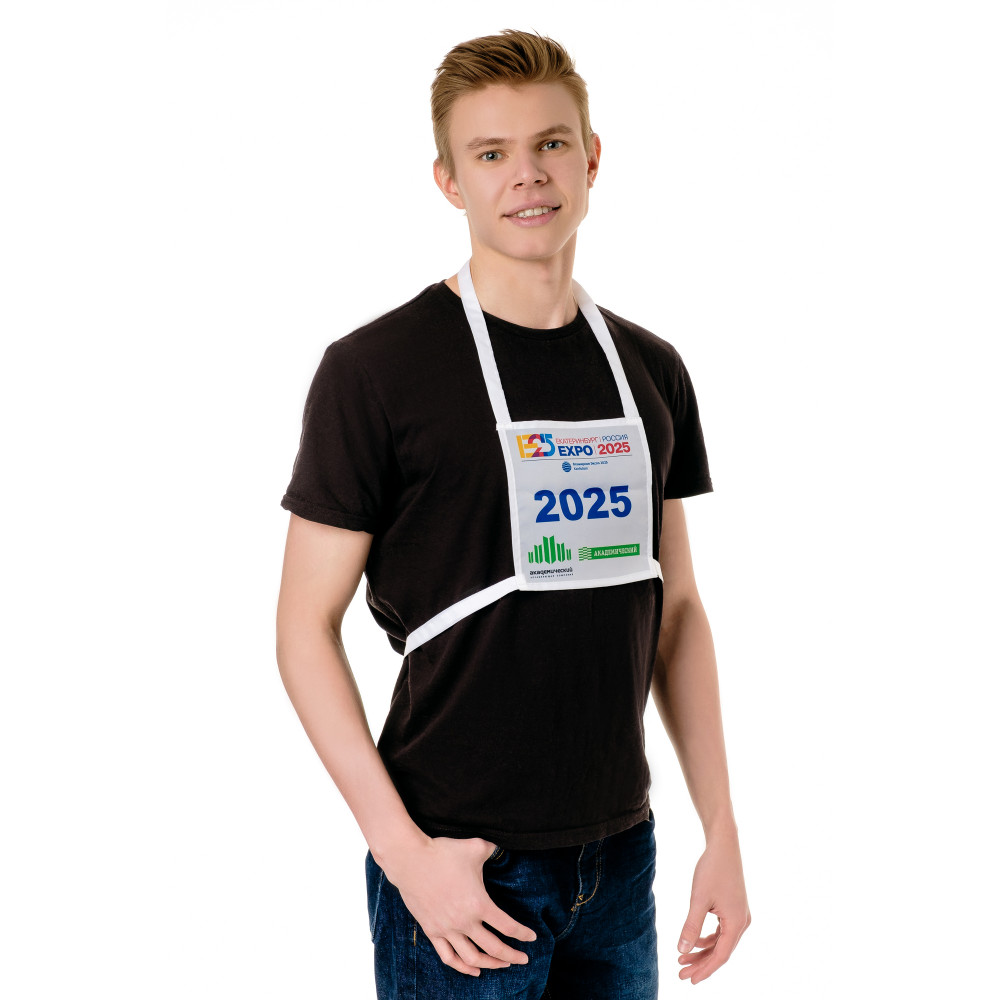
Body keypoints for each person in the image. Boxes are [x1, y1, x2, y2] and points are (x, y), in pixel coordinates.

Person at [276, 29, 749, 999]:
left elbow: (676, 611)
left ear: (592, 157)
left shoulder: (650, 372)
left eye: (550, 143)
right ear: (449, 181)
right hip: (464, 867)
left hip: (621, 858)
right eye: (490, 153)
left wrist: (722, 830)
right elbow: (301, 628)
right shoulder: (376, 372)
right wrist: (404, 855)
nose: (527, 174)